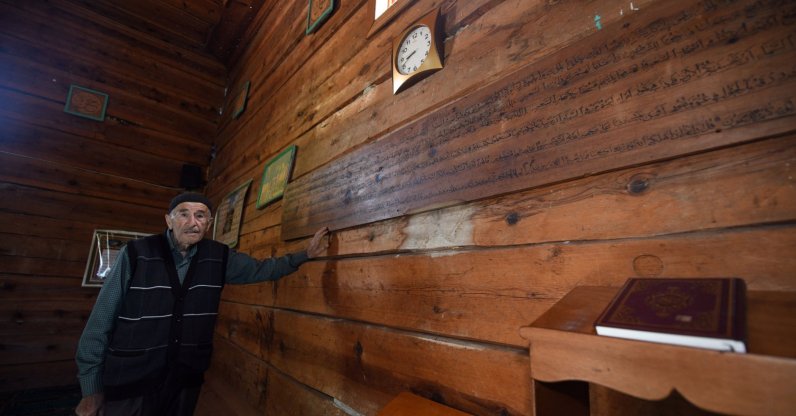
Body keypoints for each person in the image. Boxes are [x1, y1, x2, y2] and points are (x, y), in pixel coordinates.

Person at [75, 192, 330, 416]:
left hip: (184, 381)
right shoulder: (135, 253)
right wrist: (91, 388)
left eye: (200, 216)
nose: (192, 222)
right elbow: (100, 322)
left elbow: (263, 269)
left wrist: (305, 254)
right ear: (168, 220)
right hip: (131, 381)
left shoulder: (219, 257)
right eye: (183, 214)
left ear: (208, 224)